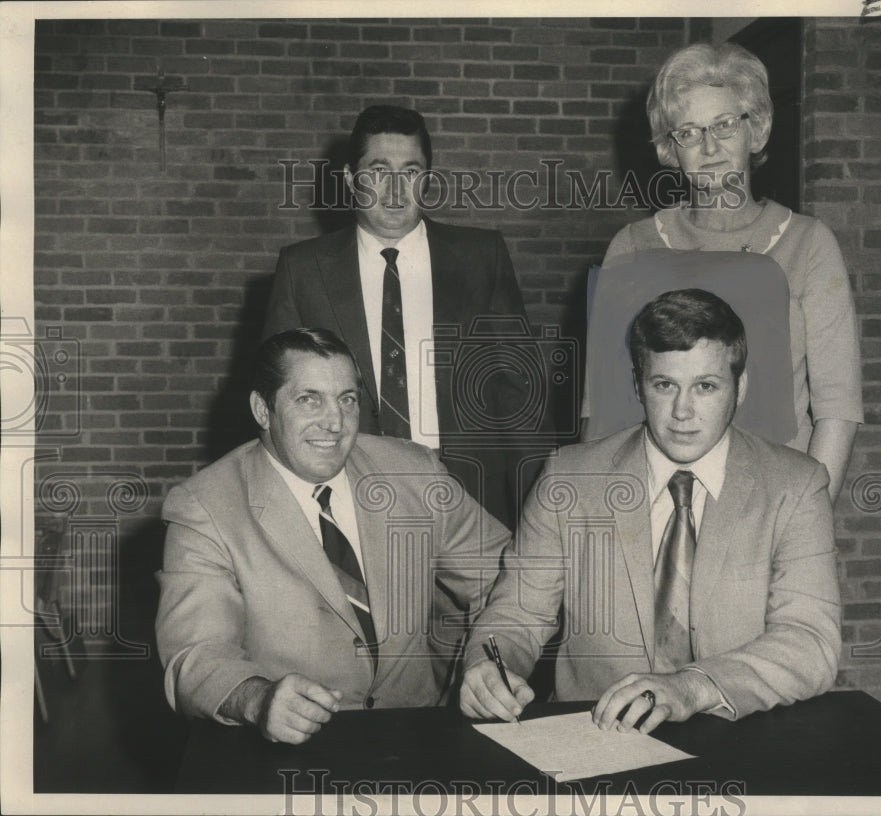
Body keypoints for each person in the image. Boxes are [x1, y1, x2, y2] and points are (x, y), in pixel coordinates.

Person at [460, 289, 841, 732]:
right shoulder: (569, 478)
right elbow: (517, 616)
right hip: (595, 735)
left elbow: (810, 641)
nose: (683, 411)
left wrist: (691, 687)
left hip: (741, 733)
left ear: (740, 388)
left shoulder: (795, 485)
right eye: (665, 385)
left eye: (705, 386)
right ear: (637, 386)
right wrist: (494, 666)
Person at [156, 329, 509, 744]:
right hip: (285, 749)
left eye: (347, 399)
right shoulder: (205, 507)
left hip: (420, 737)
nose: (336, 423)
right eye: (309, 399)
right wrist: (258, 699)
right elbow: (194, 655)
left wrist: (488, 657)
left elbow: (512, 578)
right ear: (262, 410)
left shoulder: (413, 472)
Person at [586, 42, 862, 502]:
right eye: (689, 133)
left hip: (770, 503)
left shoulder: (808, 245)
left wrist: (804, 522)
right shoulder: (633, 246)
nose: (710, 147)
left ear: (758, 131)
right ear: (669, 150)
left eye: (725, 125)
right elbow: (600, 414)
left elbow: (838, 411)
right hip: (656, 502)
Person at [263, 105, 545, 530]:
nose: (395, 191)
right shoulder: (304, 269)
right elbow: (278, 399)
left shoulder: (480, 258)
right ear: (349, 179)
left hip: (470, 497)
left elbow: (519, 398)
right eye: (378, 171)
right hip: (349, 496)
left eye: (410, 172)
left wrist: (539, 514)